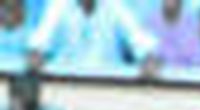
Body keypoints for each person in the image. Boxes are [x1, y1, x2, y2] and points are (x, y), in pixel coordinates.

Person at [27, 0, 159, 72]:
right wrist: (36, 54)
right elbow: (39, 42)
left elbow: (140, 40)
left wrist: (148, 58)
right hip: (68, 82)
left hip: (108, 84)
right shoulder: (59, 4)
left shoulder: (114, 5)